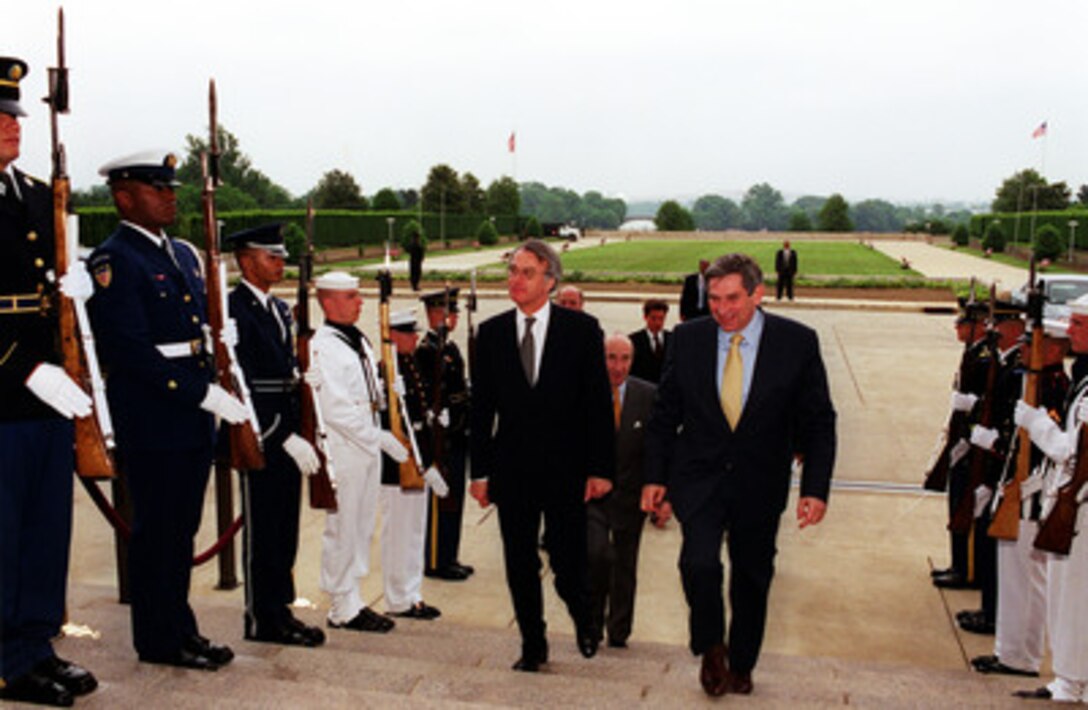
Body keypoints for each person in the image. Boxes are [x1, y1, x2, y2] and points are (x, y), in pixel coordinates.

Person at [642, 252, 836, 697]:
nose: (722, 309)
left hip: (759, 482)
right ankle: (712, 645)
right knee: (698, 563)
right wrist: (656, 476)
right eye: (714, 299)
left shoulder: (797, 343)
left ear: (758, 293)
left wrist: (815, 489)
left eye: (732, 298)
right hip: (699, 478)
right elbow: (664, 414)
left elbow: (819, 420)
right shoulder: (687, 339)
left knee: (751, 576)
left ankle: (743, 662)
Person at [88, 150, 244, 670]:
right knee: (156, 532)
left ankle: (179, 626)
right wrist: (197, 392)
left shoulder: (175, 253)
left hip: (188, 413)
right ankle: (157, 640)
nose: (170, 196)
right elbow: (129, 350)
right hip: (154, 415)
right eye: (157, 189)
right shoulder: (115, 260)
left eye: (171, 188)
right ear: (124, 197)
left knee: (181, 530)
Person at [0, 55, 99, 706]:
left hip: (48, 389)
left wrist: (78, 290)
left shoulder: (36, 192)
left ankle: (34, 643)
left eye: (15, 118)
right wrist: (25, 367)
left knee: (43, 527)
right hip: (6, 386)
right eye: (0, 120)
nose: (14, 128)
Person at [469, 239, 615, 672]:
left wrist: (600, 468)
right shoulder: (492, 334)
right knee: (519, 559)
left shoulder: (581, 331)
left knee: (569, 560)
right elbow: (482, 411)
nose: (515, 279)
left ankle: (585, 617)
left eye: (526, 272)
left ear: (550, 281)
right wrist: (480, 472)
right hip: (512, 469)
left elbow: (597, 406)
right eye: (513, 271)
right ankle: (533, 642)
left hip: (566, 469)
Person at [224, 224, 326, 648]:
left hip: (288, 427)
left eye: (282, 256)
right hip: (262, 433)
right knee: (263, 529)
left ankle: (281, 608)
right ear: (246, 261)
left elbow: (284, 371)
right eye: (271, 256)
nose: (279, 263)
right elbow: (238, 381)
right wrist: (280, 433)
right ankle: (261, 616)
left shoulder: (281, 311)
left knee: (285, 526)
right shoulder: (233, 309)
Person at [309, 271, 407, 633]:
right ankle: (342, 604)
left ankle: (352, 597)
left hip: (365, 443)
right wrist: (377, 436)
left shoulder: (356, 340)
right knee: (345, 525)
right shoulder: (324, 345)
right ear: (329, 301)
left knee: (363, 523)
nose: (360, 301)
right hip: (345, 446)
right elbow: (336, 408)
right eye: (352, 296)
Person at [971, 323, 1068, 677]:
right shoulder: (1031, 381)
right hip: (1016, 490)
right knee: (1014, 577)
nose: (1023, 350)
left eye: (1033, 345)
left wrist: (1025, 488)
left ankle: (1021, 657)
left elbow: (1053, 448)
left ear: (1054, 351)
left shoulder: (1054, 387)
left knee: (1026, 580)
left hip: (1032, 496)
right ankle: (1009, 651)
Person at [1012, 295, 1088, 702]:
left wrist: (1035, 421)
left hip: (1080, 504)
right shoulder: (1084, 375)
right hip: (1072, 499)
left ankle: (1071, 679)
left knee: (1073, 595)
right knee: (1067, 592)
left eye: (1077, 323)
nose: (1069, 330)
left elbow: (1070, 449)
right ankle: (1071, 676)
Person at [955, 302, 1026, 636]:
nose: (993, 331)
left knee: (993, 539)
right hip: (988, 456)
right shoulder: (1000, 360)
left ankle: (993, 612)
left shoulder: (1017, 367)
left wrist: (993, 444)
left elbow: (1008, 418)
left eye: (999, 325)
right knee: (983, 533)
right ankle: (988, 607)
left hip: (1000, 465)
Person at [586, 333, 657, 649]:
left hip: (632, 497)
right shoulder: (584, 391)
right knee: (597, 555)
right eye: (611, 358)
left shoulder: (648, 395)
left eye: (624, 359)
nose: (617, 366)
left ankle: (619, 631)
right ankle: (590, 623)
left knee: (626, 564)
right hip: (593, 497)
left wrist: (661, 494)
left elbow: (657, 448)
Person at [379, 308, 447, 619]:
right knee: (399, 533)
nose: (415, 337)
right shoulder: (386, 370)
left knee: (415, 531)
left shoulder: (409, 364)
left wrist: (429, 461)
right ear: (392, 336)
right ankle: (397, 598)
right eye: (408, 333)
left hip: (416, 459)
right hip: (397, 465)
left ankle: (412, 592)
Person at [417, 288, 474, 582]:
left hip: (458, 431)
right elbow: (427, 395)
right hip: (442, 435)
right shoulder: (427, 350)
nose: (455, 317)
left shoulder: (449, 348)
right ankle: (436, 559)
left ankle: (449, 554)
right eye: (450, 312)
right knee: (441, 501)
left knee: (454, 498)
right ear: (435, 314)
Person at [628, 298, 671, 384]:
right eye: (653, 318)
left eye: (661, 318)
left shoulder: (673, 338)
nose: (658, 323)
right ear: (645, 317)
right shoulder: (633, 340)